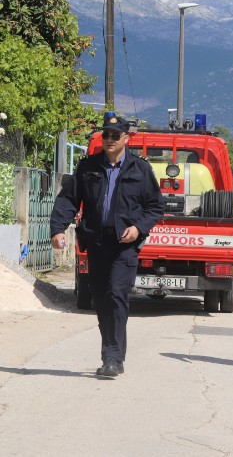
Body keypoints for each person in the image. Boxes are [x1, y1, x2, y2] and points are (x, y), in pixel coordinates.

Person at [50, 113, 164, 378]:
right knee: (101, 300)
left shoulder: (140, 169)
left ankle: (112, 358)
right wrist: (58, 229)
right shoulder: (88, 166)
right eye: (106, 135)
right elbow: (68, 199)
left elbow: (155, 206)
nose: (109, 139)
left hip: (125, 246)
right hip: (97, 243)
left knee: (116, 294)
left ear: (126, 138)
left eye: (115, 135)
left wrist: (138, 228)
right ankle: (113, 354)